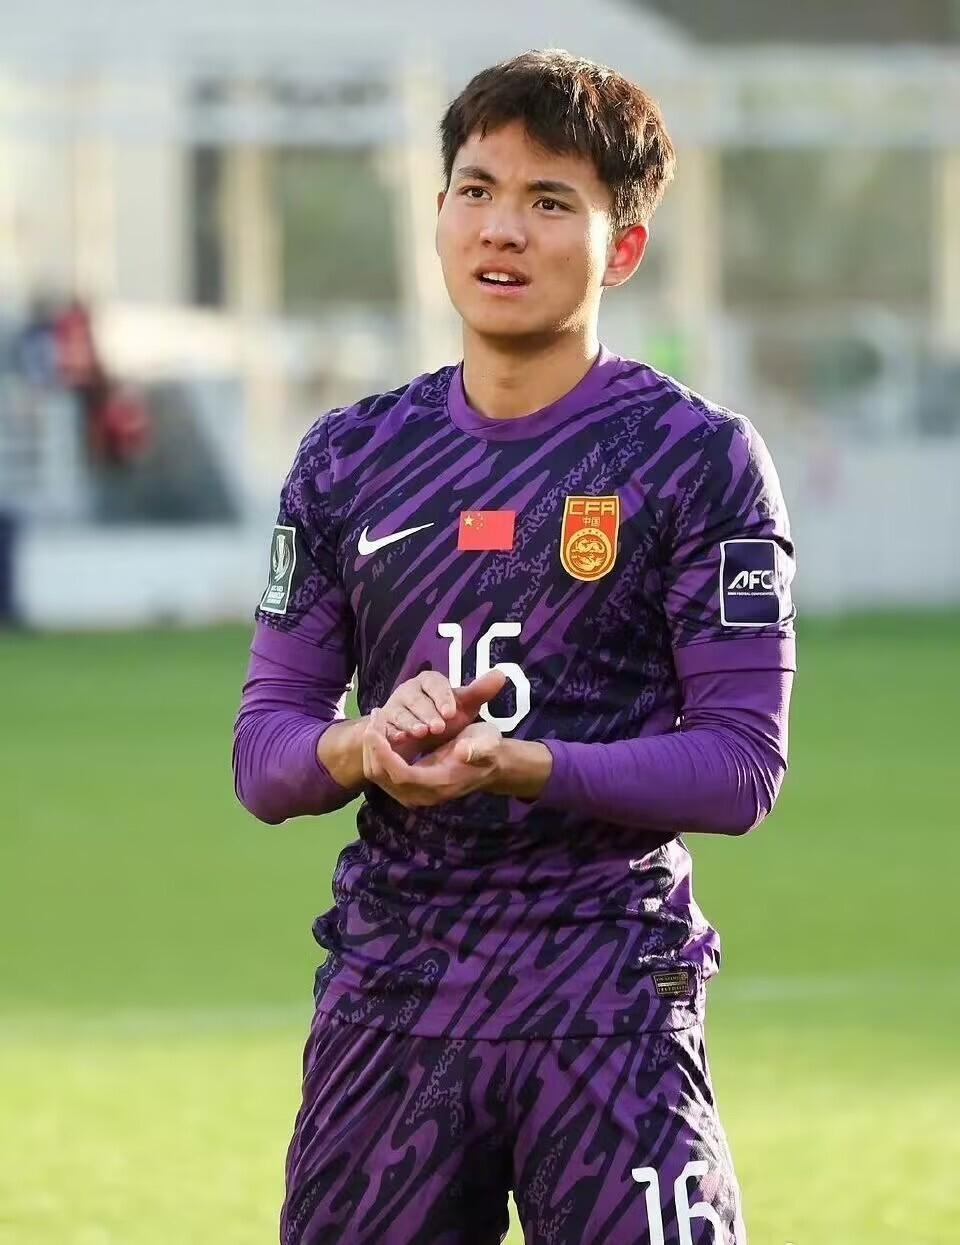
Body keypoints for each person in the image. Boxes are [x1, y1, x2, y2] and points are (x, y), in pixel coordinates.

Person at [233, 48, 796, 1245]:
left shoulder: (697, 459)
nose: (502, 229)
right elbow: (264, 753)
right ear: (439, 211)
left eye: (550, 201)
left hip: (609, 998)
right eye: (477, 190)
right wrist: (361, 746)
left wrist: (525, 764)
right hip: (396, 999)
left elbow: (742, 768)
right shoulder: (348, 459)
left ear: (622, 247)